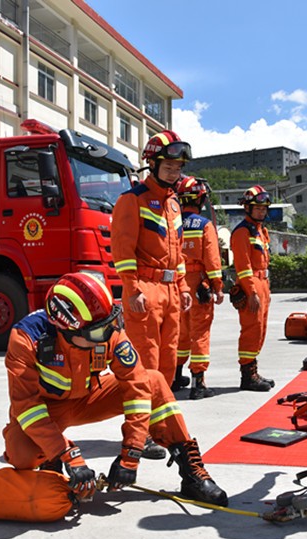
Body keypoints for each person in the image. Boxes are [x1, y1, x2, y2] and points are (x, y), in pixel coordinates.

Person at [1, 272, 227, 506]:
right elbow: (27, 407)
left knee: (153, 382)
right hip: (47, 409)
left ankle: (192, 472)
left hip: (90, 397)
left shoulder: (105, 330)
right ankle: (51, 460)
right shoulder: (26, 339)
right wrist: (65, 453)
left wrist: (131, 453)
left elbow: (137, 387)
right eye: (99, 332)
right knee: (21, 452)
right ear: (65, 328)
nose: (109, 335)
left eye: (111, 323)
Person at [112, 130, 193, 458]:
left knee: (168, 364)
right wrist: (131, 289)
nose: (174, 172)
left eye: (178, 167)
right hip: (144, 290)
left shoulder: (173, 203)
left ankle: (159, 429)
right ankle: (139, 433)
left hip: (171, 291)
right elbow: (122, 250)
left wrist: (183, 286)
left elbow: (179, 252)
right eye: (169, 166)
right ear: (153, 164)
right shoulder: (132, 200)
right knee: (145, 365)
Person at [174, 176, 224, 400]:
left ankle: (175, 376)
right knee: (200, 333)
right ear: (201, 199)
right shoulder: (204, 225)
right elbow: (212, 261)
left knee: (179, 333)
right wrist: (217, 286)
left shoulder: (171, 224)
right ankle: (198, 383)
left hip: (176, 283)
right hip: (198, 285)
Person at [231, 185, 275, 392]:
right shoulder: (242, 232)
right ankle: (247, 376)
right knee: (251, 329)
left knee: (261, 329)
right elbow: (243, 266)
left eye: (264, 208)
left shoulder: (261, 231)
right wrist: (251, 292)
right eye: (257, 208)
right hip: (252, 283)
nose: (261, 211)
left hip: (263, 283)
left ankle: (253, 370)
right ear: (247, 208)